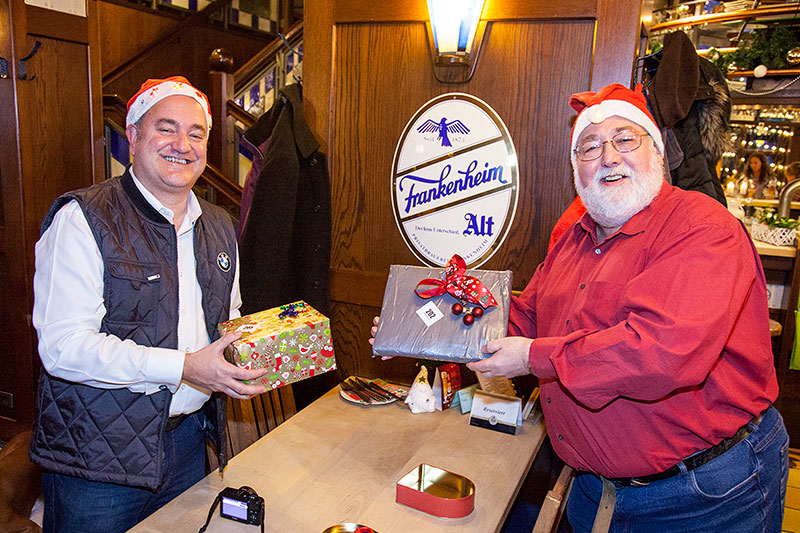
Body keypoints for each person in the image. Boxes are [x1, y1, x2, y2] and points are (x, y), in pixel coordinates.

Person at [464, 84, 785, 532]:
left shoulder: (703, 229)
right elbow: (526, 318)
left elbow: (659, 354)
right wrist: (436, 323)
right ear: (576, 167)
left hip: (701, 496)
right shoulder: (572, 235)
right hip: (596, 491)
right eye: (590, 147)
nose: (609, 157)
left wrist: (532, 356)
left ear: (656, 151)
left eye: (625, 139)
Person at [29, 76, 270, 533]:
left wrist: (254, 353)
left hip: (187, 445)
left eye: (196, 133)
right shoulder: (83, 219)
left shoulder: (219, 224)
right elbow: (63, 348)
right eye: (166, 128)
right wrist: (184, 366)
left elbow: (228, 318)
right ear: (134, 136)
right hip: (96, 460)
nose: (183, 144)